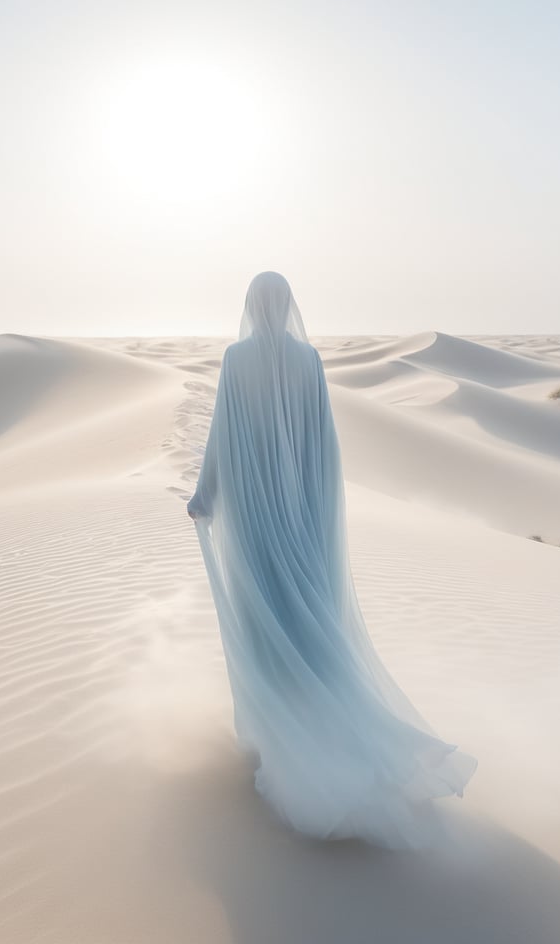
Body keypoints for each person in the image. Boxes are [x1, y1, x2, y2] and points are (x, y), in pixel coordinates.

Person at [187, 271, 477, 847]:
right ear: (288, 305)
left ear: (251, 305)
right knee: (308, 624)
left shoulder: (237, 357)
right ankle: (320, 730)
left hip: (253, 524)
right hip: (301, 521)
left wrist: (205, 493)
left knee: (266, 623)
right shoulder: (309, 360)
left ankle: (282, 740)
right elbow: (324, 444)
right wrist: (317, 517)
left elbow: (222, 434)